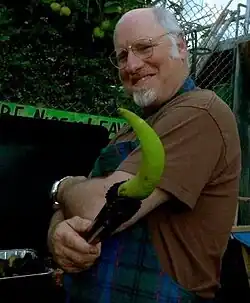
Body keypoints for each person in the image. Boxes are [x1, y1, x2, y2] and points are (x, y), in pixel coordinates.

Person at [47, 6, 241, 303]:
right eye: (122, 56)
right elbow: (73, 208)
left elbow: (99, 208)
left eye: (144, 47)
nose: (132, 65)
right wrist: (57, 234)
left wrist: (63, 186)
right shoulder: (128, 132)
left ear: (180, 46)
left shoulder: (201, 112)